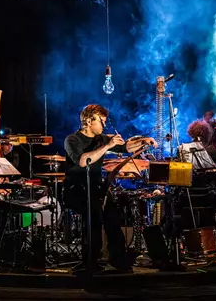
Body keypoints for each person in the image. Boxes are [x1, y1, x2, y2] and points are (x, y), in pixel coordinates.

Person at [63, 104, 157, 272]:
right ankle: (90, 260)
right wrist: (107, 146)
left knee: (113, 219)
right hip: (77, 189)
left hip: (98, 188)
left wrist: (143, 141)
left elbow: (126, 146)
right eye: (101, 121)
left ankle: (118, 260)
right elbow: (83, 161)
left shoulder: (102, 139)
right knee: (94, 219)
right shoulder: (72, 140)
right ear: (88, 120)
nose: (104, 125)